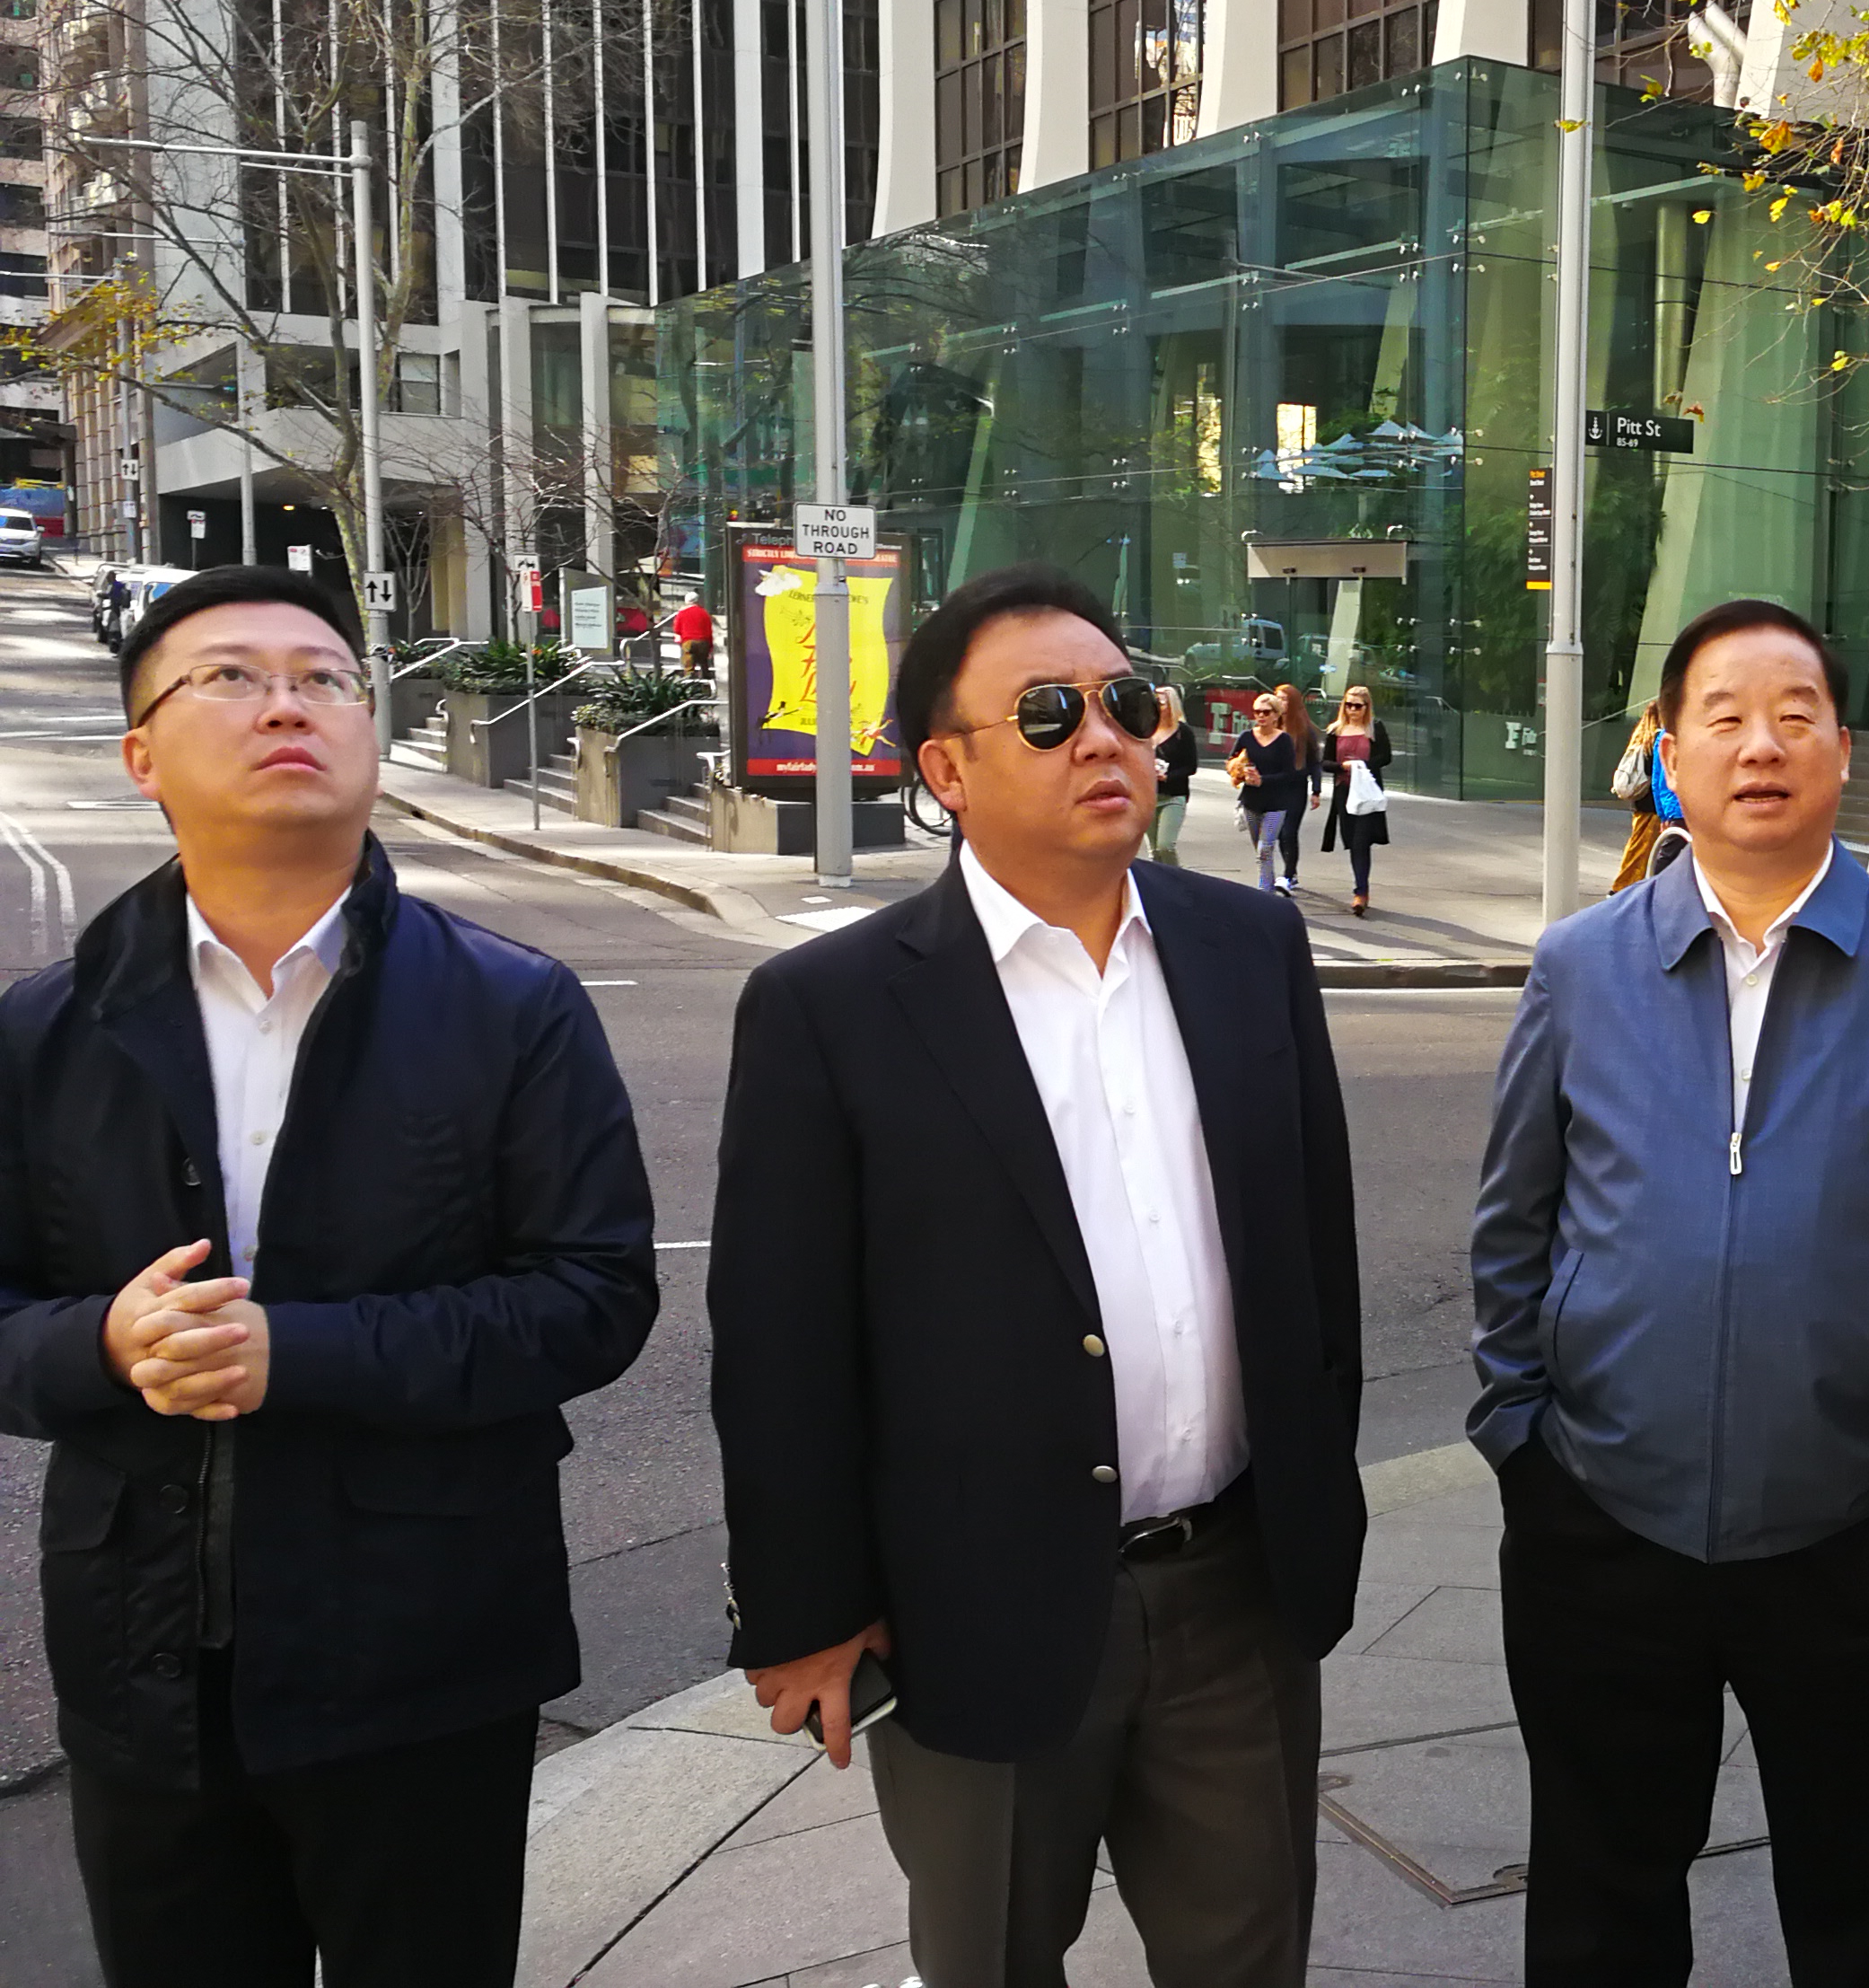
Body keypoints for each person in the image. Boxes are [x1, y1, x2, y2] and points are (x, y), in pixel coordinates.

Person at [0, 564, 659, 1986]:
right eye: (230, 678)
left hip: (426, 1664)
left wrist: (292, 1354)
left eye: (323, 679)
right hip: (146, 1671)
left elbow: (593, 1297)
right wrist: (104, 1344)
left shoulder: (512, 1008)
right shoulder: (43, 1035)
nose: (286, 705)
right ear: (142, 755)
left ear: (368, 730)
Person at [711, 564, 1366, 1988]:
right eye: (1050, 714)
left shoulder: (1250, 947)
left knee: (1250, 1959)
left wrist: (1317, 1497)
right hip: (973, 1605)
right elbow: (779, 1347)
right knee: (993, 1960)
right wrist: (804, 1614)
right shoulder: (832, 1008)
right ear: (945, 769)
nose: (1105, 739)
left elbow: (1315, 1255)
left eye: (1127, 703)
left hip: (1235, 1587)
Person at [1470, 596, 1869, 1987]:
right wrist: (1521, 1440)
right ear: (1670, 756)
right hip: (1603, 1521)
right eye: (1722, 718)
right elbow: (1511, 1227)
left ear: (1844, 750)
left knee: (1860, 1912)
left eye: (1796, 715)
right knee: (1600, 1906)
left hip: (1862, 1535)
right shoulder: (1580, 967)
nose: (1761, 745)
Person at [1315, 683, 1392, 918]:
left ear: (1367, 707)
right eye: (1348, 705)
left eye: (1357, 706)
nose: (1352, 710)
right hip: (1344, 791)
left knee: (1361, 841)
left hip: (1367, 791)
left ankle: (1360, 892)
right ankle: (1361, 887)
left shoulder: (1374, 729)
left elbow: (1385, 757)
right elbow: (1325, 762)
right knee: (1351, 840)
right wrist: (1343, 766)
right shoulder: (1335, 730)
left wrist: (1362, 766)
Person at [1230, 693, 1304, 894]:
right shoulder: (1246, 737)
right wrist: (1242, 772)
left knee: (1265, 849)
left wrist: (1263, 780)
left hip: (1276, 803)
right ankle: (1269, 889)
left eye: (1266, 712)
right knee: (1262, 851)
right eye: (1257, 712)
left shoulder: (1283, 740)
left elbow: (1289, 774)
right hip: (1251, 801)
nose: (1261, 716)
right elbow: (1231, 762)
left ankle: (1265, 894)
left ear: (1276, 715)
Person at [1608, 698, 1671, 893]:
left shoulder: (1641, 741)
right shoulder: (1657, 742)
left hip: (1641, 803)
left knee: (1639, 847)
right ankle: (1621, 889)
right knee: (1642, 850)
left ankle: (1627, 887)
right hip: (1653, 806)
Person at [1271, 683, 1321, 893]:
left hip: (1296, 788)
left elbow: (1314, 762)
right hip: (1274, 787)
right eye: (1277, 698)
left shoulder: (1303, 729)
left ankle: (1288, 875)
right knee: (1278, 833)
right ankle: (1291, 871)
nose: (1279, 702)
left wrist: (1316, 790)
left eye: (1284, 699)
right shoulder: (1272, 726)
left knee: (1289, 832)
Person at [1147, 702, 1198, 867]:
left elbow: (1191, 767)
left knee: (1165, 846)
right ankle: (1157, 882)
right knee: (1154, 851)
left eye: (1162, 702)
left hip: (1173, 796)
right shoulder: (1146, 729)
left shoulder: (1183, 732)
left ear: (1171, 705)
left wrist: (1168, 777)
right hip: (1149, 796)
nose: (1157, 705)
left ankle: (1176, 878)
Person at [673, 589, 716, 681]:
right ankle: (705, 676)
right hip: (703, 641)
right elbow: (709, 631)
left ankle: (689, 679)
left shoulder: (682, 613)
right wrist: (710, 647)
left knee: (688, 664)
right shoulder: (705, 613)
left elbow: (677, 630)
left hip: (688, 642)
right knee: (703, 662)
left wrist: (679, 641)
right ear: (697, 601)